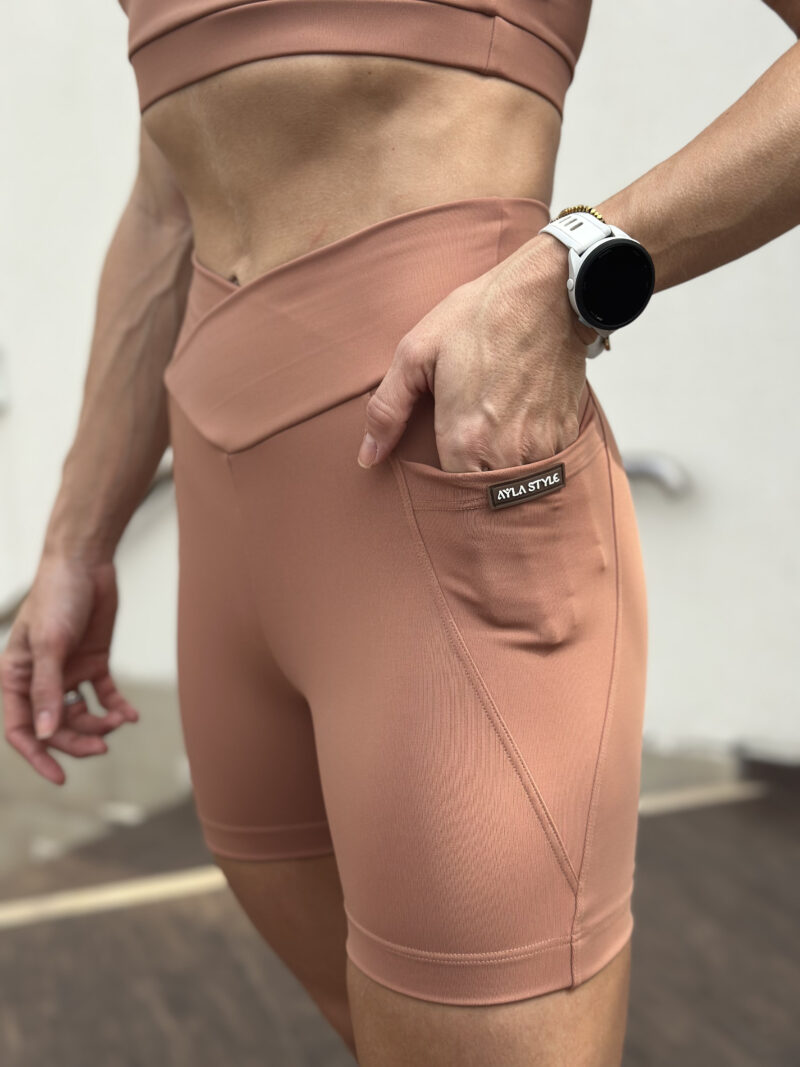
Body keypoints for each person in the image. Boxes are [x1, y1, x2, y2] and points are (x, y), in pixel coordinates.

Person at [2, 1, 799, 1062]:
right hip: (230, 556)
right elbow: (163, 205)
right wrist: (74, 538)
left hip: (450, 513)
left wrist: (567, 271)